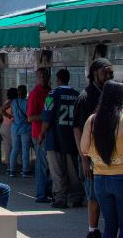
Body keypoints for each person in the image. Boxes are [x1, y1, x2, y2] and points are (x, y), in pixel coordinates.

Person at [74, 59, 115, 238]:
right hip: (90, 156)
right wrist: (84, 159)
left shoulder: (112, 93)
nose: (109, 76)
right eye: (105, 72)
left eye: (111, 72)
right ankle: (93, 230)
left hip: (111, 155)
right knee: (93, 195)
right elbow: (77, 128)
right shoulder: (85, 96)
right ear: (95, 72)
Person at [80, 80, 123, 238]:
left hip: (100, 179)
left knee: (110, 225)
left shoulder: (92, 120)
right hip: (121, 178)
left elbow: (84, 149)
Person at [42, 68, 84, 209]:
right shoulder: (77, 95)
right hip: (72, 138)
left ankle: (60, 198)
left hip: (54, 139)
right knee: (73, 170)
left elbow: (47, 118)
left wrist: (41, 134)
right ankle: (77, 196)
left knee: (57, 170)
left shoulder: (51, 95)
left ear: (57, 79)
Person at [27, 67, 53, 203]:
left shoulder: (50, 92)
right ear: (37, 78)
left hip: (49, 133)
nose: (43, 79)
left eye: (45, 76)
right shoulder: (35, 94)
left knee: (49, 165)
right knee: (42, 165)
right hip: (39, 134)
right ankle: (41, 194)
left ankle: (48, 192)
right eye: (40, 77)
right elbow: (30, 117)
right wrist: (46, 116)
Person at [4, 85, 33, 177]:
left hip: (15, 127)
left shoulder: (13, 102)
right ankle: (25, 171)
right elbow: (29, 116)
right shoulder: (27, 102)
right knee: (25, 150)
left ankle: (12, 170)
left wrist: (10, 117)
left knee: (15, 149)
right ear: (25, 92)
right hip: (26, 128)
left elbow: (1, 110)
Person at [0, 87, 16, 166]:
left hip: (4, 126)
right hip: (9, 126)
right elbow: (1, 110)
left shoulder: (7, 101)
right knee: (13, 146)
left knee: (7, 147)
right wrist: (11, 117)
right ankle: (12, 165)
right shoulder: (11, 102)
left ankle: (9, 165)